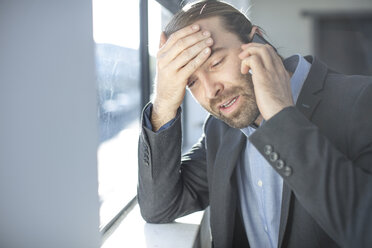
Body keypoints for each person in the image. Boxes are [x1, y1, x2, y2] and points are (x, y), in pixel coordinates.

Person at [137, 1, 372, 247]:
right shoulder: (220, 130)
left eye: (216, 63)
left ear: (258, 42)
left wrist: (281, 116)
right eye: (191, 82)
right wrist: (163, 103)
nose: (210, 90)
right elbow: (159, 206)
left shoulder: (362, 101)